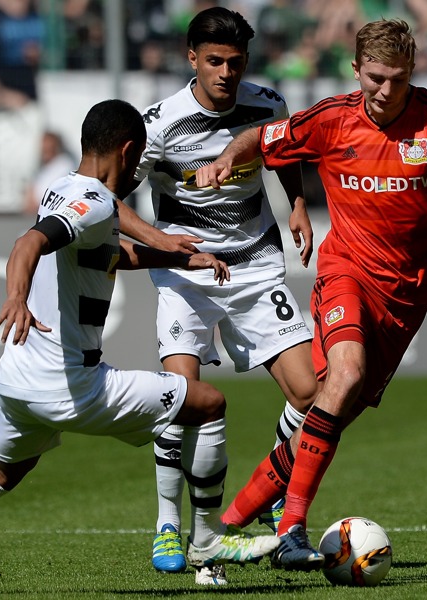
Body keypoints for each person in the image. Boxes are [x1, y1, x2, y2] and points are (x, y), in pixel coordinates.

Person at [0, 99, 279, 596]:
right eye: (137, 161)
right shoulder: (95, 203)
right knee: (208, 403)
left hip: (19, 380)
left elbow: (107, 252)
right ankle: (206, 538)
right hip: (73, 384)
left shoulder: (62, 189)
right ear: (129, 151)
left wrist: (174, 255)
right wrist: (17, 298)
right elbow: (28, 244)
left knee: (2, 472)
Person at [196, 18, 427, 571]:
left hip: (407, 300)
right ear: (356, 71)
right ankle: (290, 530)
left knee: (325, 418)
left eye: (395, 79)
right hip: (346, 272)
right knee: (344, 375)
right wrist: (232, 156)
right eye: (374, 77)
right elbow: (263, 136)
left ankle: (225, 528)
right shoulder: (333, 118)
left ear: (412, 72)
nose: (383, 90)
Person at [114, 7, 320, 584]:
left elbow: (282, 153)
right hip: (186, 276)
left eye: (235, 62)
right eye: (214, 62)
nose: (226, 73)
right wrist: (156, 243)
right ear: (192, 60)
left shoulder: (268, 104)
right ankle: (166, 524)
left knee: (310, 394)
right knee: (183, 398)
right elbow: (114, 193)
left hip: (255, 264)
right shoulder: (159, 125)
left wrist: (298, 202)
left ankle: (275, 484)